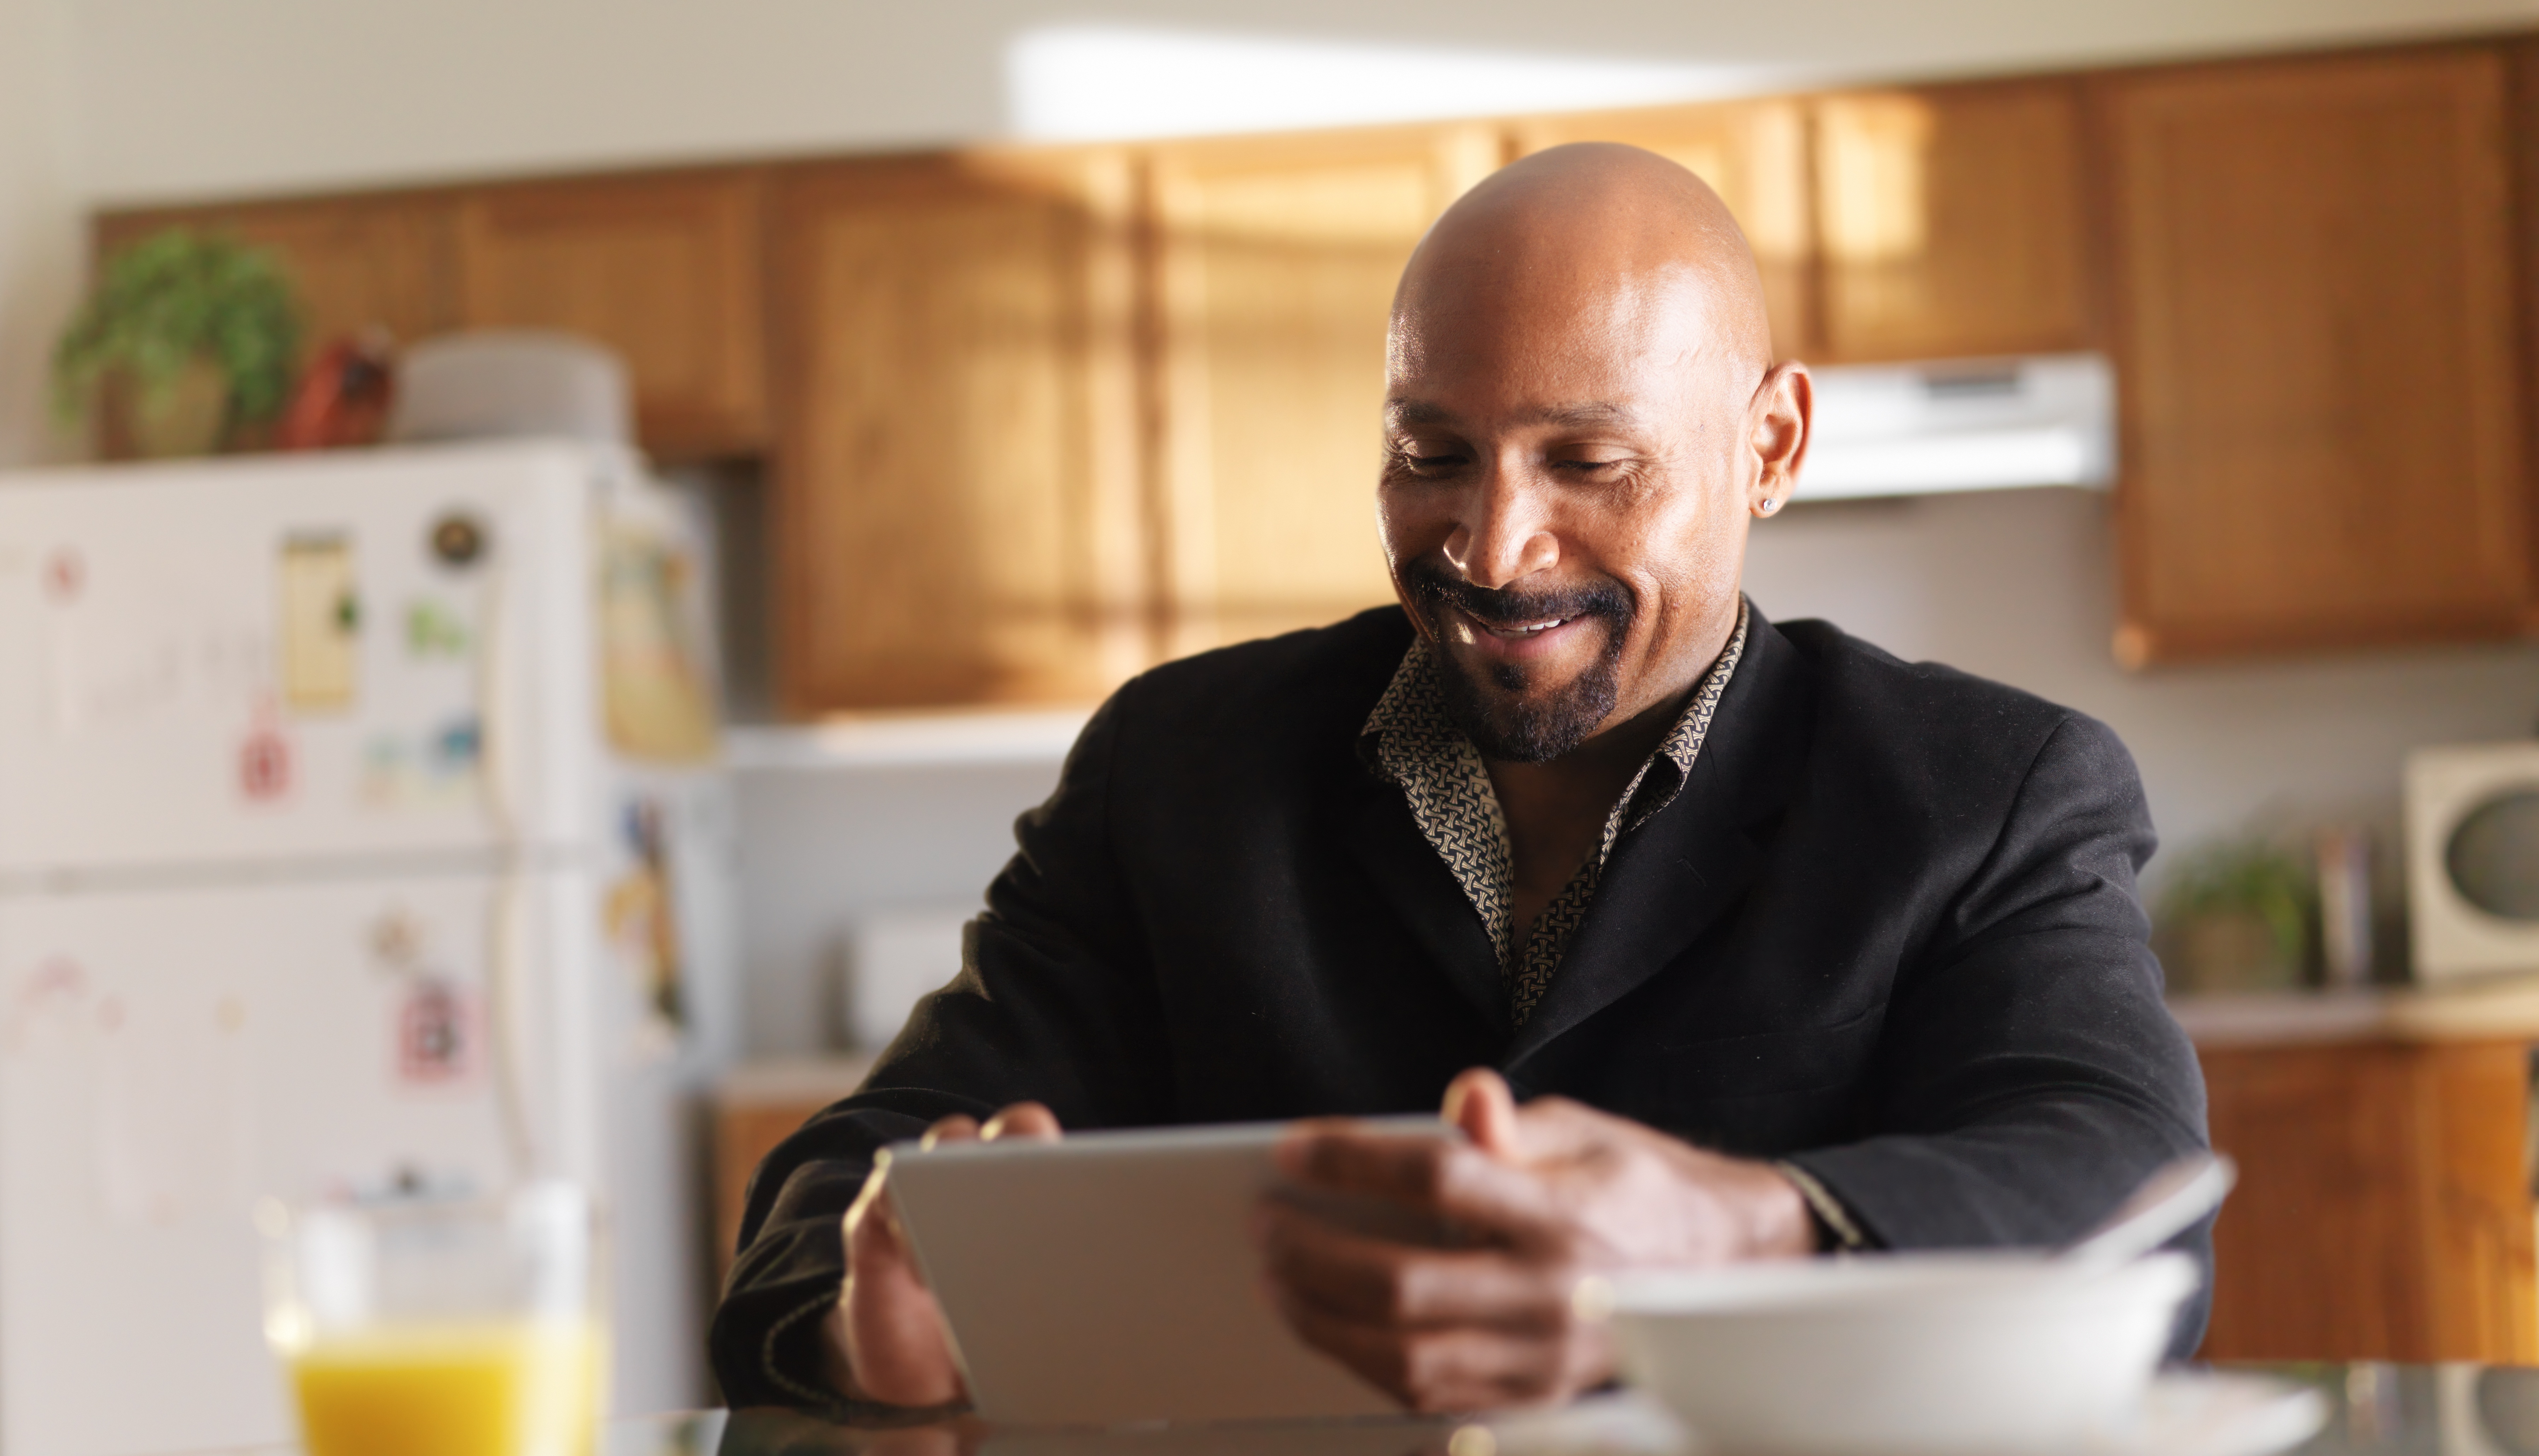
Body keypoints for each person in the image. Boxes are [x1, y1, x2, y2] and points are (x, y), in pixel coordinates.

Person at [711, 142, 2209, 1414]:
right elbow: (835, 1193)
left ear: (1768, 444)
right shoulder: (1177, 769)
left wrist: (1738, 1236)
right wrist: (872, 1323)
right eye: (1432, 452)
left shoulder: (1987, 787)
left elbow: (2126, 1194)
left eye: (1588, 462)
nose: (1493, 549)